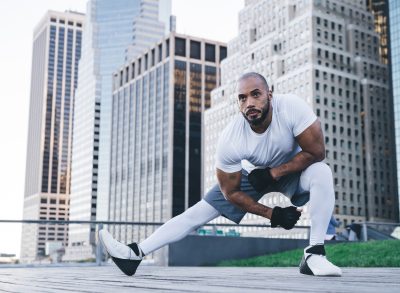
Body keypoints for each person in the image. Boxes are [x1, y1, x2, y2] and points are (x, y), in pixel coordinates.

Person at [99, 72, 342, 277]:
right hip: (252, 175)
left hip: (293, 169)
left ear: (270, 94)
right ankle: (135, 254)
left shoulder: (291, 106)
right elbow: (231, 191)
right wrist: (273, 214)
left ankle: (314, 254)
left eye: (256, 94)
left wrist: (274, 173)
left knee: (322, 172)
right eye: (242, 98)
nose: (249, 103)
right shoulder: (231, 138)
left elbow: (317, 151)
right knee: (197, 212)